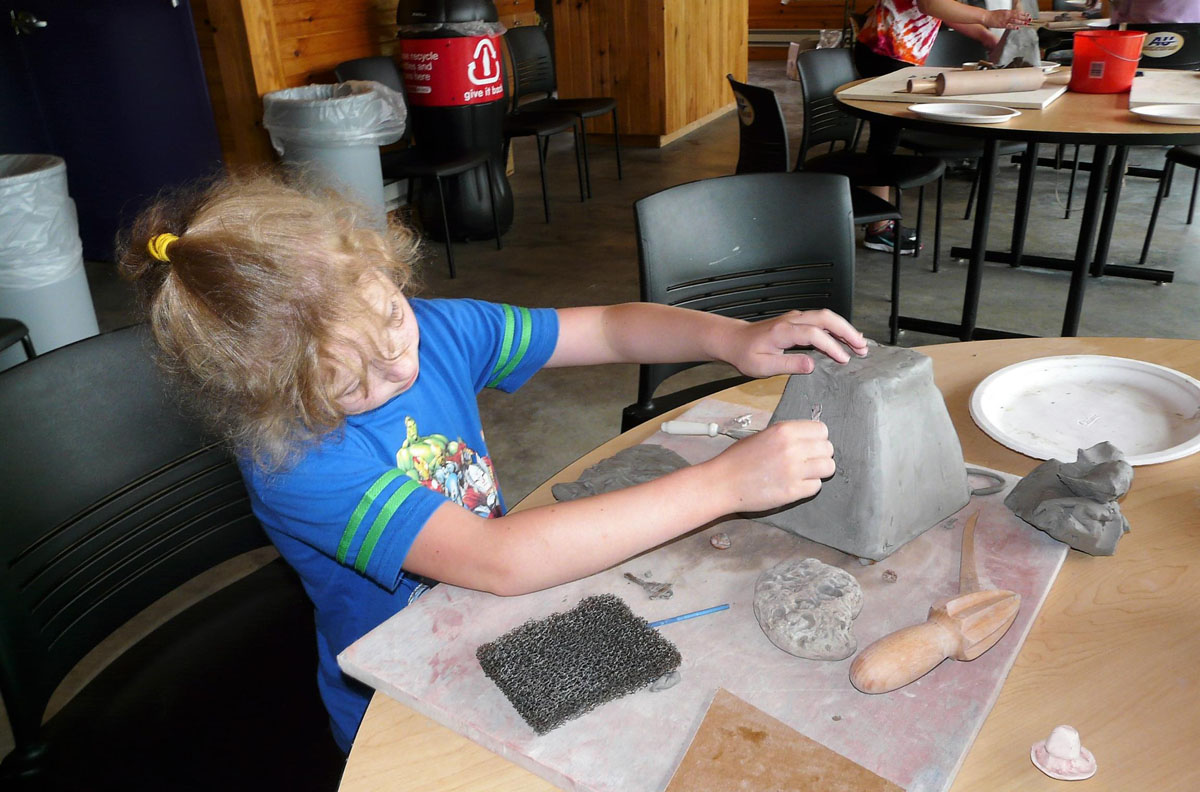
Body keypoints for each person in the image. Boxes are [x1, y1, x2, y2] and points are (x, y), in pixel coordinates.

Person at [119, 168, 869, 753]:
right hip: (399, 694)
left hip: (495, 623)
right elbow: (497, 559)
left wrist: (728, 339)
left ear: (382, 267)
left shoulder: (437, 332)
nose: (400, 370)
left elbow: (607, 329)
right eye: (352, 381)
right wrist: (725, 483)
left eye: (391, 316)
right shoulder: (295, 459)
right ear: (268, 395)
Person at [854, 0, 1033, 254]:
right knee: (885, 136)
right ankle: (878, 225)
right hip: (884, 51)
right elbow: (930, 4)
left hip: (894, 51)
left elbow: (943, 10)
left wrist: (985, 36)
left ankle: (875, 218)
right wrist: (987, 18)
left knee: (886, 136)